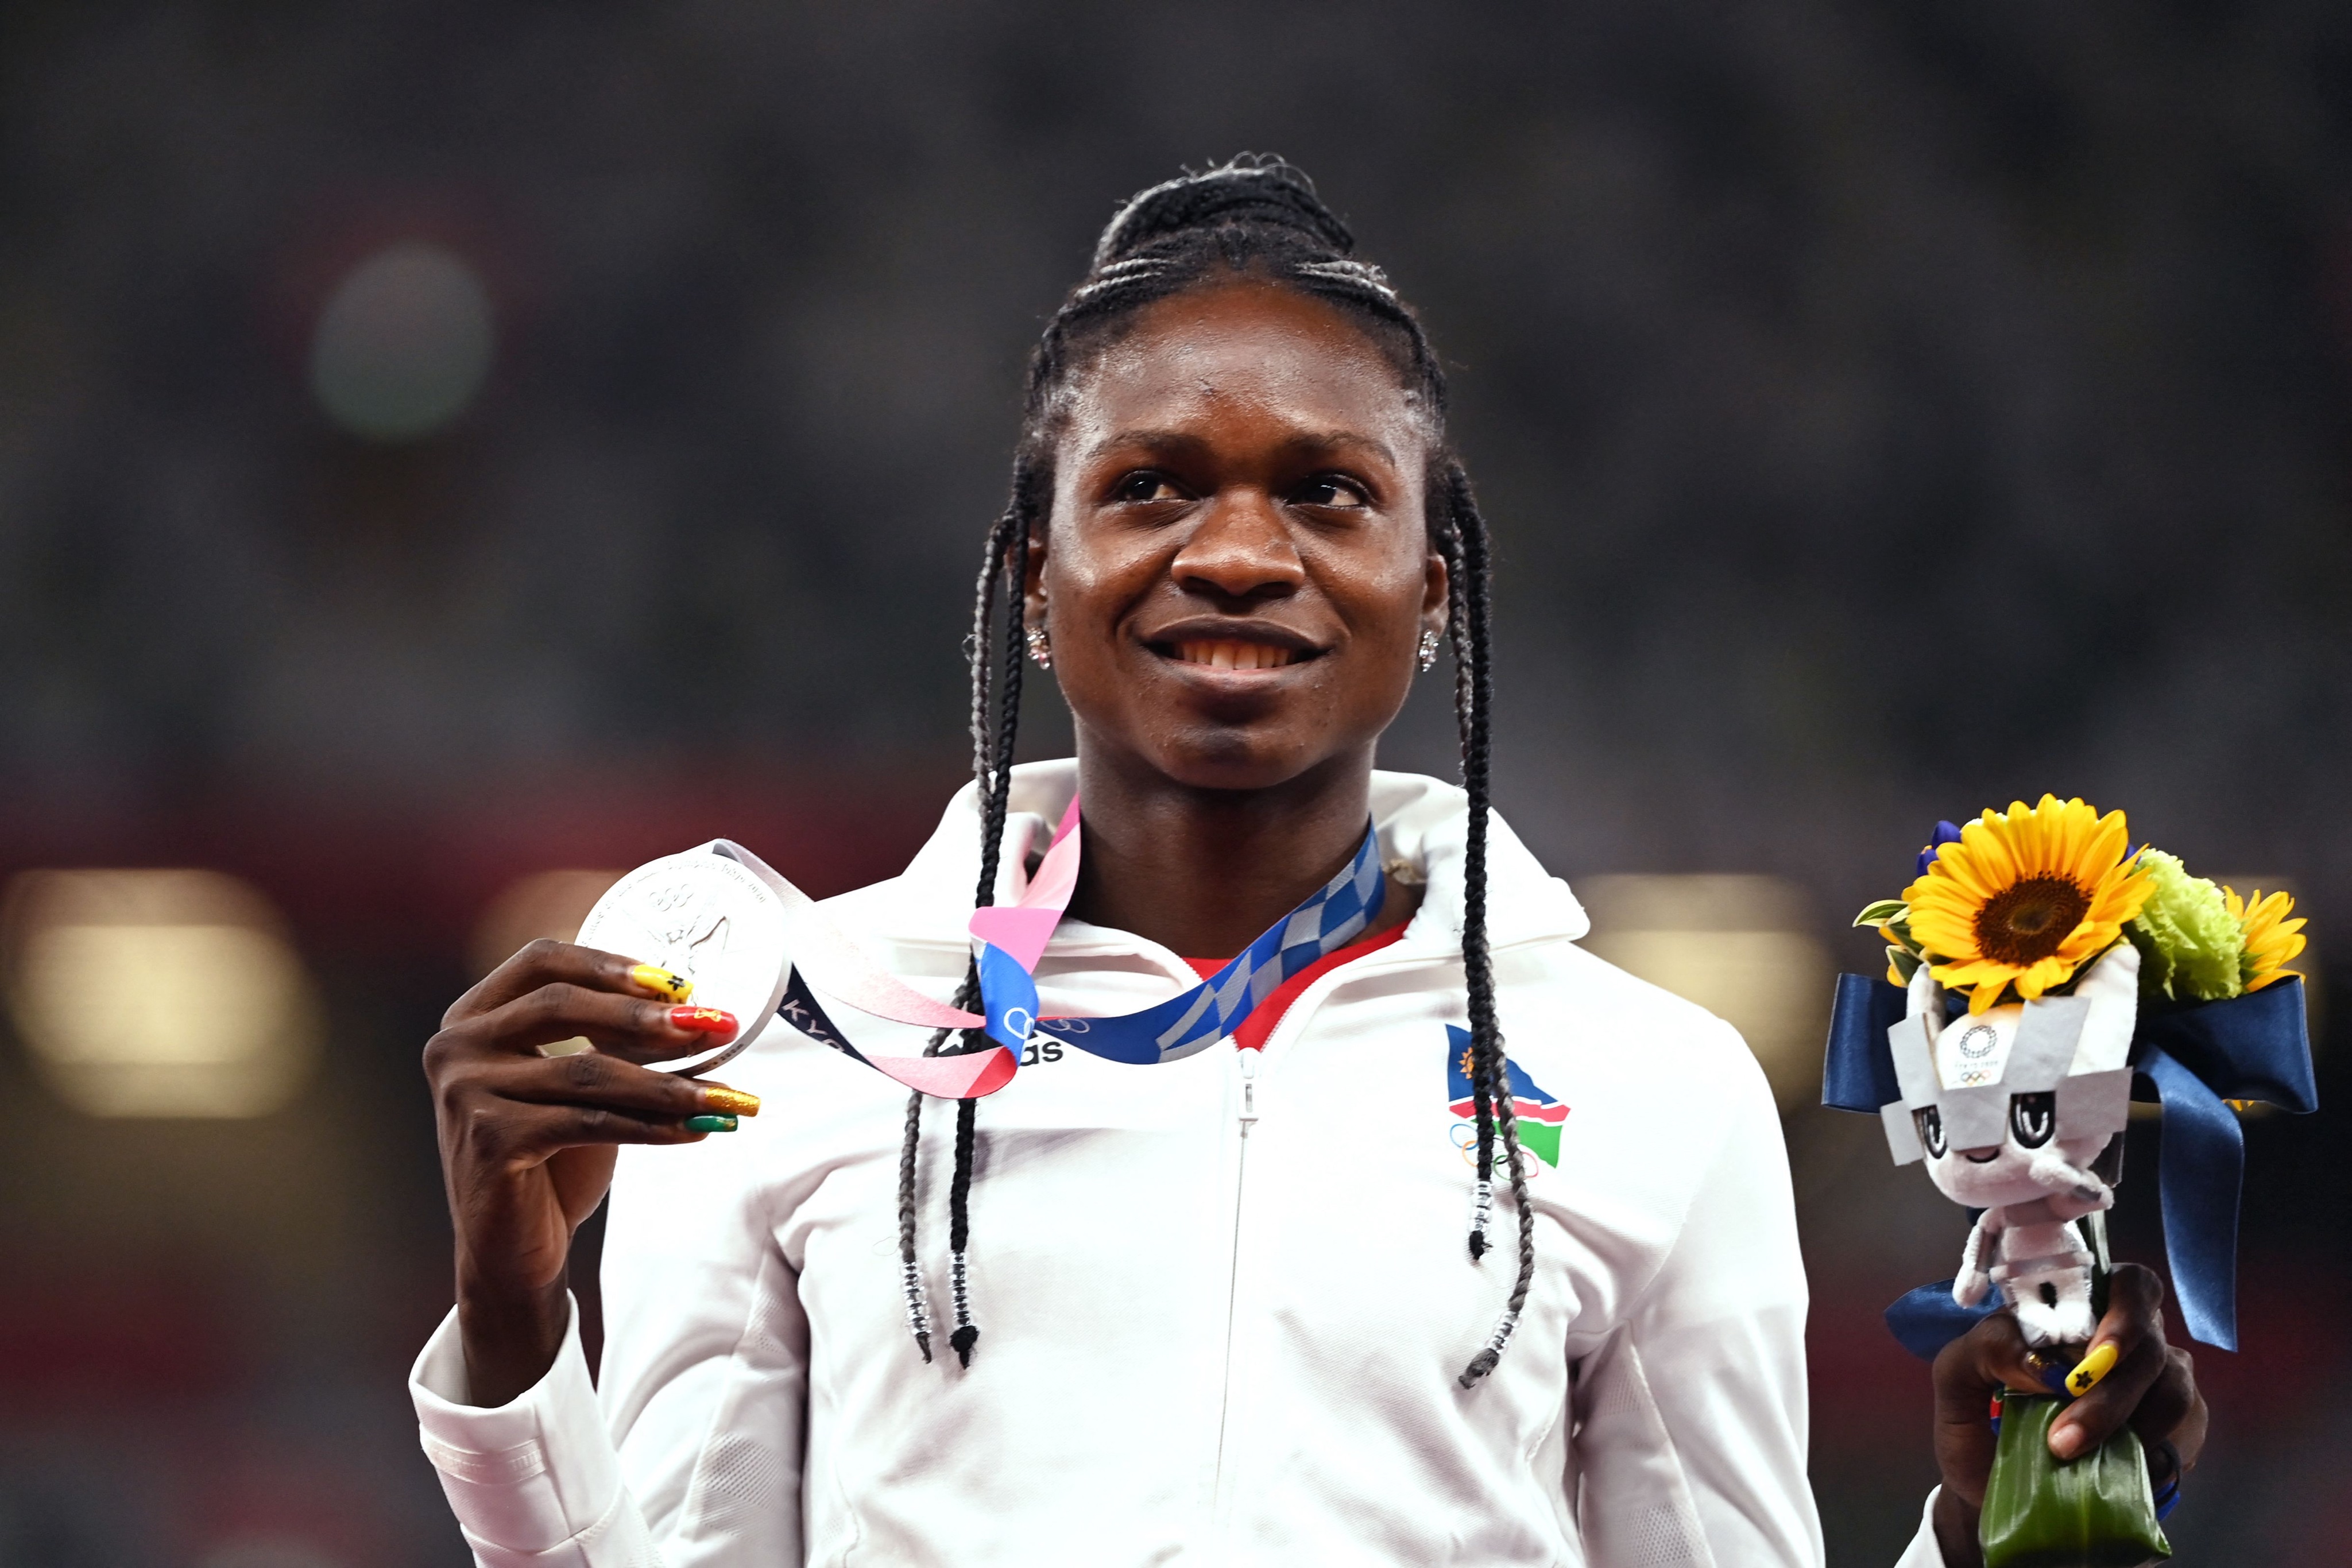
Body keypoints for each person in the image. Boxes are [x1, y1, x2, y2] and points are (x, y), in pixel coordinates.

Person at [412, 157, 2204, 1566]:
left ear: (1432, 592)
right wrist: (511, 1333)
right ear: (1034, 579)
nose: (1238, 552)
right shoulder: (808, 1041)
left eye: (1327, 492)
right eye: (1153, 485)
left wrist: (1984, 1529)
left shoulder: (1654, 1085)